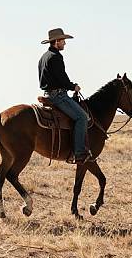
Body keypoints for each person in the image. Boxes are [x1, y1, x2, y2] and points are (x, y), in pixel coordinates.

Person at [38, 28, 92, 164]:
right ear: (56, 42)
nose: (65, 44)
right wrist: (73, 86)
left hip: (48, 94)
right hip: (58, 96)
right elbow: (62, 79)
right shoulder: (56, 57)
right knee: (82, 117)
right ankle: (79, 153)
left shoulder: (43, 57)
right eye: (63, 41)